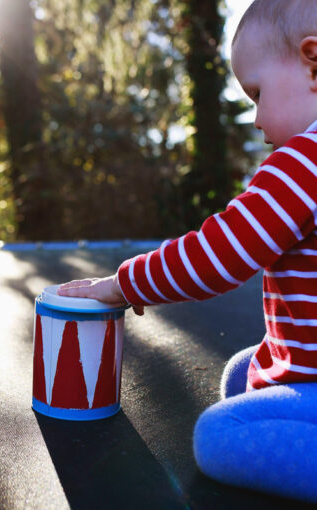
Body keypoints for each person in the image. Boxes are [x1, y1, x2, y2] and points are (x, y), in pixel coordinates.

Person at [58, 0, 317, 503]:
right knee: (244, 371)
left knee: (219, 438)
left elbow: (222, 252)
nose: (258, 118)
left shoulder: (306, 160)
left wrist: (121, 284)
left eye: (258, 93)